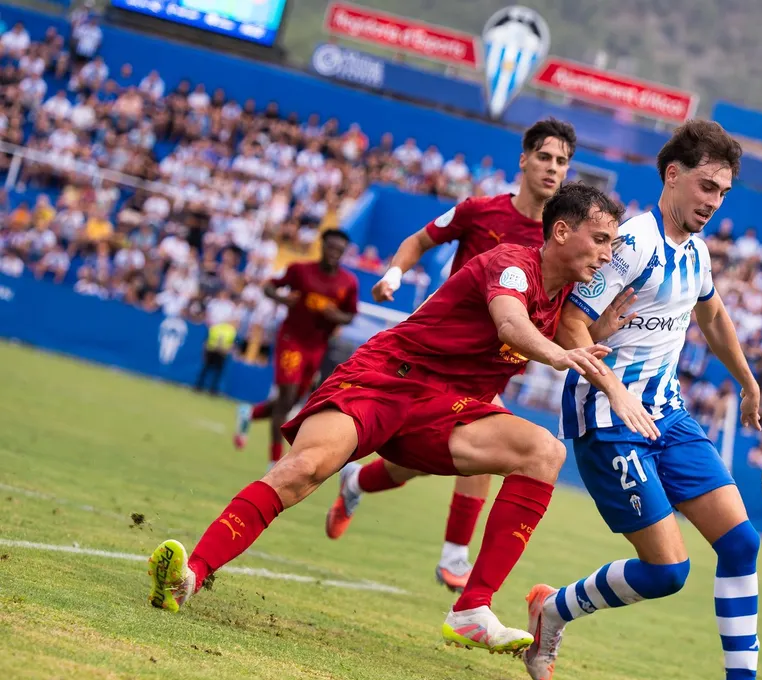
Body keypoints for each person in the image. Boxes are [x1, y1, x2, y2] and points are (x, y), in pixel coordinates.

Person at [147, 183, 632, 655]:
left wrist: (602, 334)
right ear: (563, 232)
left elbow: (573, 335)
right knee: (304, 470)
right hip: (387, 379)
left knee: (545, 452)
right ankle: (191, 573)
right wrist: (556, 355)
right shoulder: (512, 263)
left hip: (449, 409)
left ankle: (471, 608)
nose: (608, 254)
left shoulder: (565, 298)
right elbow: (510, 323)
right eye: (602, 239)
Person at [517, 121, 762, 680]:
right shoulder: (633, 242)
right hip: (610, 421)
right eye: (706, 185)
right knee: (668, 572)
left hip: (669, 417)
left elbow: (712, 314)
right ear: (672, 175)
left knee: (742, 543)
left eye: (724, 192)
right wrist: (615, 390)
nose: (713, 200)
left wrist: (749, 383)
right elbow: (571, 321)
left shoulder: (696, 254)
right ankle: (555, 609)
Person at [324, 119, 588, 593]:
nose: (553, 168)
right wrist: (394, 275)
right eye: (545, 157)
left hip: (497, 364)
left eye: (562, 161)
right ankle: (455, 558)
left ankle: (358, 484)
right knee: (492, 447)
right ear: (524, 159)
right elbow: (420, 240)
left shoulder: (564, 240)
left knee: (414, 462)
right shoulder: (478, 211)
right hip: (442, 351)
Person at [232, 229, 358, 467]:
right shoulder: (300, 271)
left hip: (317, 345)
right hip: (292, 339)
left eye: (339, 250)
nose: (334, 253)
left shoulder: (348, 282)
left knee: (293, 402)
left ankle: (249, 414)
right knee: (287, 395)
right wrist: (281, 299)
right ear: (322, 246)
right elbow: (269, 286)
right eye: (331, 247)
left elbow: (350, 316)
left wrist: (336, 316)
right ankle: (273, 462)